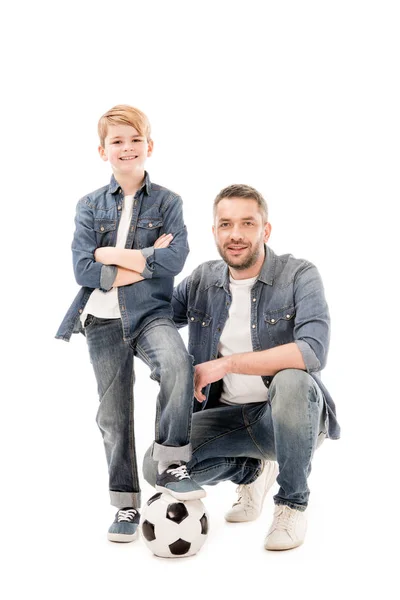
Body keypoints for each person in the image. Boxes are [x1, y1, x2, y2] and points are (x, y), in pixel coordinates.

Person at [143, 184, 340, 551]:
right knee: (157, 464)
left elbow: (312, 351)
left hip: (287, 421)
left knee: (294, 380)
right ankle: (252, 473)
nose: (236, 235)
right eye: (226, 224)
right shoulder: (202, 280)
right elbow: (153, 322)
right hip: (229, 420)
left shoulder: (299, 275)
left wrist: (226, 364)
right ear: (215, 231)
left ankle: (292, 504)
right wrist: (150, 262)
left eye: (247, 223)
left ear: (265, 230)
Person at [56, 104, 205, 544]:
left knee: (178, 363)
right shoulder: (88, 206)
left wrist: (111, 255)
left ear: (149, 146)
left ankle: (171, 458)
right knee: (114, 414)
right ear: (102, 151)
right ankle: (125, 504)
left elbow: (175, 259)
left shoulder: (168, 202)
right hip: (101, 322)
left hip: (149, 314)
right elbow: (84, 270)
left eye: (135, 139)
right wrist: (144, 260)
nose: (126, 148)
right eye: (117, 141)